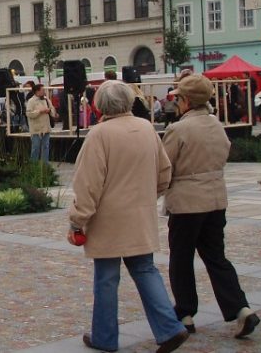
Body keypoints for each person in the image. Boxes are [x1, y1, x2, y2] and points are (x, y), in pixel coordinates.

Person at [68, 80, 189, 353]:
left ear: (100, 105)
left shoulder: (99, 135)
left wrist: (78, 219)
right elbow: (164, 173)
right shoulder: (147, 129)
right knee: (146, 270)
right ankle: (170, 327)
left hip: (108, 219)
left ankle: (105, 337)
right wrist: (148, 195)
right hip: (140, 214)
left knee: (107, 278)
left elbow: (88, 185)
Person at [163, 74, 259, 338]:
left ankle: (185, 313)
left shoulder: (179, 129)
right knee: (216, 256)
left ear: (185, 101)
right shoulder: (216, 125)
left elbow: (164, 165)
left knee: (181, 258)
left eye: (178, 99)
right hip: (215, 199)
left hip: (186, 201)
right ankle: (241, 308)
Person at [26, 84, 57, 164]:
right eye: (42, 90)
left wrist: (50, 111)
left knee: (46, 148)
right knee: (35, 148)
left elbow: (52, 109)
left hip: (46, 128)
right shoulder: (31, 101)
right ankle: (34, 166)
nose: (44, 92)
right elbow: (29, 114)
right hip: (36, 130)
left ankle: (45, 165)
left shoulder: (46, 100)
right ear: (37, 91)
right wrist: (40, 111)